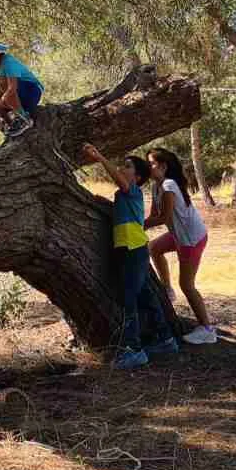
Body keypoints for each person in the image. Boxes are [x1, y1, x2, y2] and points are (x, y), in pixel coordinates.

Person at [81, 143, 177, 369]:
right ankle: (165, 339)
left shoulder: (132, 190)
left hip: (133, 250)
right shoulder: (124, 195)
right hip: (134, 249)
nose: (122, 169)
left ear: (138, 176)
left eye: (127, 167)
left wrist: (99, 157)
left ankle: (133, 350)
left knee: (128, 301)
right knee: (146, 297)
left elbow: (120, 181)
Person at [146, 147, 216, 345]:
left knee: (187, 285)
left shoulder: (169, 185)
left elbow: (165, 217)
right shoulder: (156, 186)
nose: (148, 167)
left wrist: (136, 224)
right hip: (179, 235)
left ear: (163, 166)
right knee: (154, 248)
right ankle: (167, 288)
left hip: (191, 239)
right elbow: (153, 215)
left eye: (151, 163)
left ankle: (207, 329)